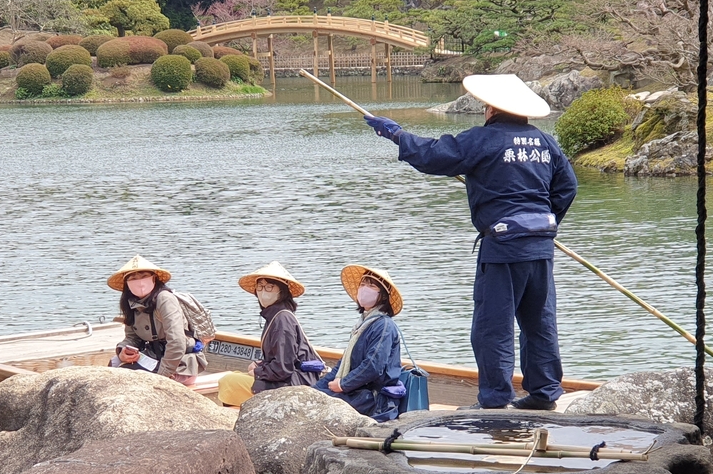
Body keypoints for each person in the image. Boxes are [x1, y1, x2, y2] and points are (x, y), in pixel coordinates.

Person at [363, 74, 576, 410]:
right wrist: (543, 223)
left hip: (503, 247)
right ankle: (545, 392)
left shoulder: (484, 139)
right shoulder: (545, 143)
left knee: (493, 326)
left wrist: (397, 134)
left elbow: (435, 156)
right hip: (540, 245)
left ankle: (495, 399)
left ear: (492, 108)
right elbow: (567, 189)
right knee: (539, 322)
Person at [218, 262, 323, 406]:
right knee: (235, 376)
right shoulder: (275, 316)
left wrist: (259, 372)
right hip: (287, 379)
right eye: (260, 287)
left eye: (269, 287)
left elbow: (283, 368)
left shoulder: (282, 319)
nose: (263, 291)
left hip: (294, 383)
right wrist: (259, 365)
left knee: (228, 382)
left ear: (282, 291)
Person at [314, 264, 404, 422]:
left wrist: (343, 384)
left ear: (382, 295)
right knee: (312, 397)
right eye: (362, 284)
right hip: (357, 391)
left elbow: (373, 366)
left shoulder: (383, 326)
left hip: (374, 399)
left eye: (371, 285)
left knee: (319, 408)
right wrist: (316, 389)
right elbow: (343, 364)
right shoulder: (362, 325)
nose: (364, 288)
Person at [107, 254, 206, 385]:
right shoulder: (131, 304)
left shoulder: (165, 299)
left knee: (127, 381)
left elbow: (177, 343)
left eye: (144, 276)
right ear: (127, 284)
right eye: (133, 278)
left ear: (154, 279)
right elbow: (132, 337)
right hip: (152, 357)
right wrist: (123, 351)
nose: (140, 282)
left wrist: (162, 376)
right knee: (113, 365)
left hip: (180, 365)